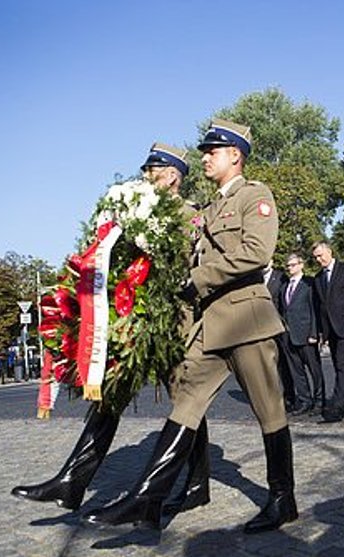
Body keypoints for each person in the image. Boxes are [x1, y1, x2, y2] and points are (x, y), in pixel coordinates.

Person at [82, 119, 297, 533]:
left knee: (269, 411)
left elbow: (255, 253)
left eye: (211, 152)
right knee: (186, 404)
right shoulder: (208, 209)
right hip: (211, 324)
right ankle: (147, 499)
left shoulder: (256, 196)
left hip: (247, 318)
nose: (204, 158)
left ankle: (282, 497)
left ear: (235, 155)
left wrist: (196, 280)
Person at [11, 143, 211, 516]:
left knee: (186, 401)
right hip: (130, 317)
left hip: (170, 321)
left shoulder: (188, 216)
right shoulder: (131, 211)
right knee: (110, 394)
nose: (146, 176)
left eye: (153, 170)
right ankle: (72, 481)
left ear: (172, 176)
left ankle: (198, 483)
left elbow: (182, 266)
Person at [311, 241, 344, 423]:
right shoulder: (318, 278)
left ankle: (338, 406)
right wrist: (321, 332)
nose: (319, 259)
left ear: (330, 252)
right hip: (329, 330)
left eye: (321, 255)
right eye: (315, 257)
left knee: (342, 366)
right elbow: (319, 307)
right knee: (343, 365)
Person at [280, 253, 326, 415]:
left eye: (292, 265)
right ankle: (305, 400)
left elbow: (314, 310)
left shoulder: (309, 284)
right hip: (289, 336)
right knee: (297, 371)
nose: (289, 268)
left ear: (301, 265)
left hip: (307, 335)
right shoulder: (284, 286)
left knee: (315, 370)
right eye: (288, 266)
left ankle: (320, 401)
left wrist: (314, 333)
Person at [265, 261, 297, 412]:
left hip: (280, 327)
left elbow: (285, 301)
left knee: (286, 364)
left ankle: (291, 397)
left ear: (271, 262)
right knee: (272, 366)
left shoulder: (280, 277)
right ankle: (278, 397)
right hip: (264, 329)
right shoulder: (256, 279)